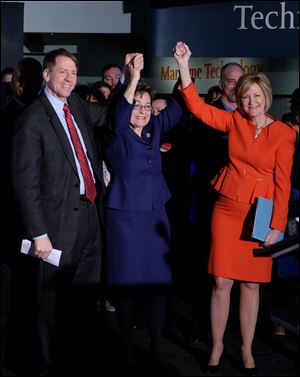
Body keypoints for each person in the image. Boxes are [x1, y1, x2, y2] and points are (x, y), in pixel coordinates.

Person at [173, 41, 295, 376]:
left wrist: (277, 226)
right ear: (237, 100)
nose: (251, 103)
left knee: (252, 285)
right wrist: (185, 66)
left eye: (256, 96)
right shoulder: (235, 122)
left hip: (260, 215)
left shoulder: (284, 134)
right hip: (226, 209)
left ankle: (246, 349)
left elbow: (283, 184)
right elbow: (197, 108)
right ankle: (216, 347)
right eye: (245, 97)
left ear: (266, 97)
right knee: (221, 282)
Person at [11, 48, 105, 377]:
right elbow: (26, 183)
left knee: (84, 298)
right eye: (62, 72)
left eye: (74, 73)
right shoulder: (32, 119)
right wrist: (38, 233)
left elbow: (109, 115)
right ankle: (47, 366)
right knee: (51, 304)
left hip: (90, 217)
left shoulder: (76, 106)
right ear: (47, 75)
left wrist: (133, 79)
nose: (69, 78)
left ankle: (76, 359)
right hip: (55, 227)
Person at [104, 52, 182, 368]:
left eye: (147, 106)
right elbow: (121, 112)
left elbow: (178, 107)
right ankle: (124, 344)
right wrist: (132, 77)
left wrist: (184, 68)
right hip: (124, 216)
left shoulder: (154, 132)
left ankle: (156, 346)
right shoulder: (117, 133)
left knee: (158, 283)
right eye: (137, 105)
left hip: (155, 216)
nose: (142, 110)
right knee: (126, 284)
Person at [1, 57, 43, 375]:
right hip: (9, 220)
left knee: (28, 295)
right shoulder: (8, 115)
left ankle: (23, 355)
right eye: (22, 79)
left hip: (32, 222)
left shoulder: (40, 114)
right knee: (10, 296)